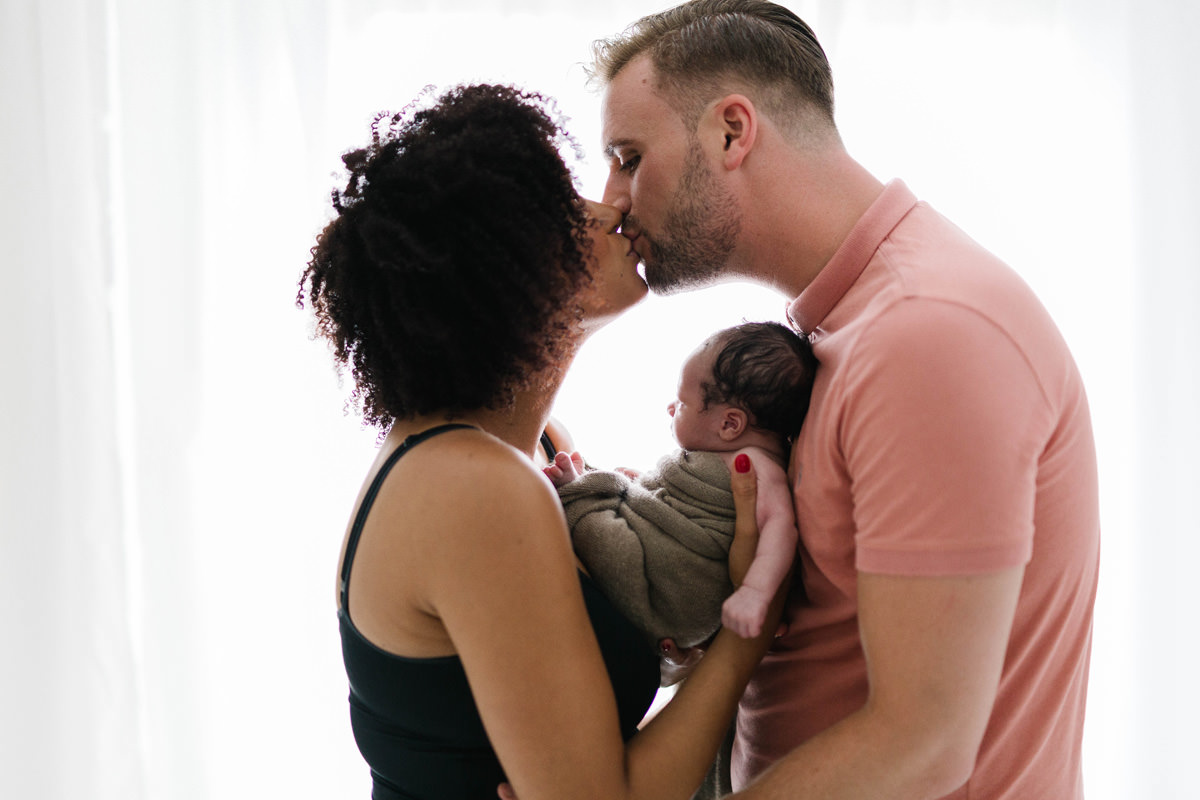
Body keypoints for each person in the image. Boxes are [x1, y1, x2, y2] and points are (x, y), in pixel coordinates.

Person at [589, 1, 1102, 798]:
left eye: (628, 157)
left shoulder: (927, 333)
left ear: (732, 131)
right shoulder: (847, 327)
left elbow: (923, 742)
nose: (613, 199)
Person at [297, 82, 785, 800]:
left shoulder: (528, 454)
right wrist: (753, 623)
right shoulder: (474, 487)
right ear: (499, 273)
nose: (610, 207)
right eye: (563, 212)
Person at [545, 321, 816, 647]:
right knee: (619, 487)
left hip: (666, 588)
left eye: (682, 403)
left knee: (601, 521)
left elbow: (781, 527)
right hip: (659, 561)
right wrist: (643, 488)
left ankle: (579, 491)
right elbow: (674, 504)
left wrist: (755, 592)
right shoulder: (723, 455)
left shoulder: (760, 467)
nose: (671, 409)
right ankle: (589, 487)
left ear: (729, 424)